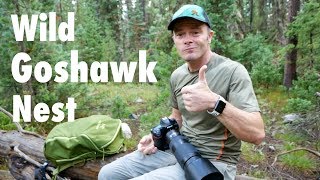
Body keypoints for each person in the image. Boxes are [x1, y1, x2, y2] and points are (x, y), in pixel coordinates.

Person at [98, 4, 265, 180]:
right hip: (178, 148)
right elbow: (177, 117)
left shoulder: (232, 71)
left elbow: (257, 134)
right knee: (108, 174)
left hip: (212, 163)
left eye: (195, 32)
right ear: (174, 40)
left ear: (209, 36)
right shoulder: (178, 75)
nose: (187, 39)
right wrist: (157, 137)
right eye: (180, 34)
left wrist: (214, 103)